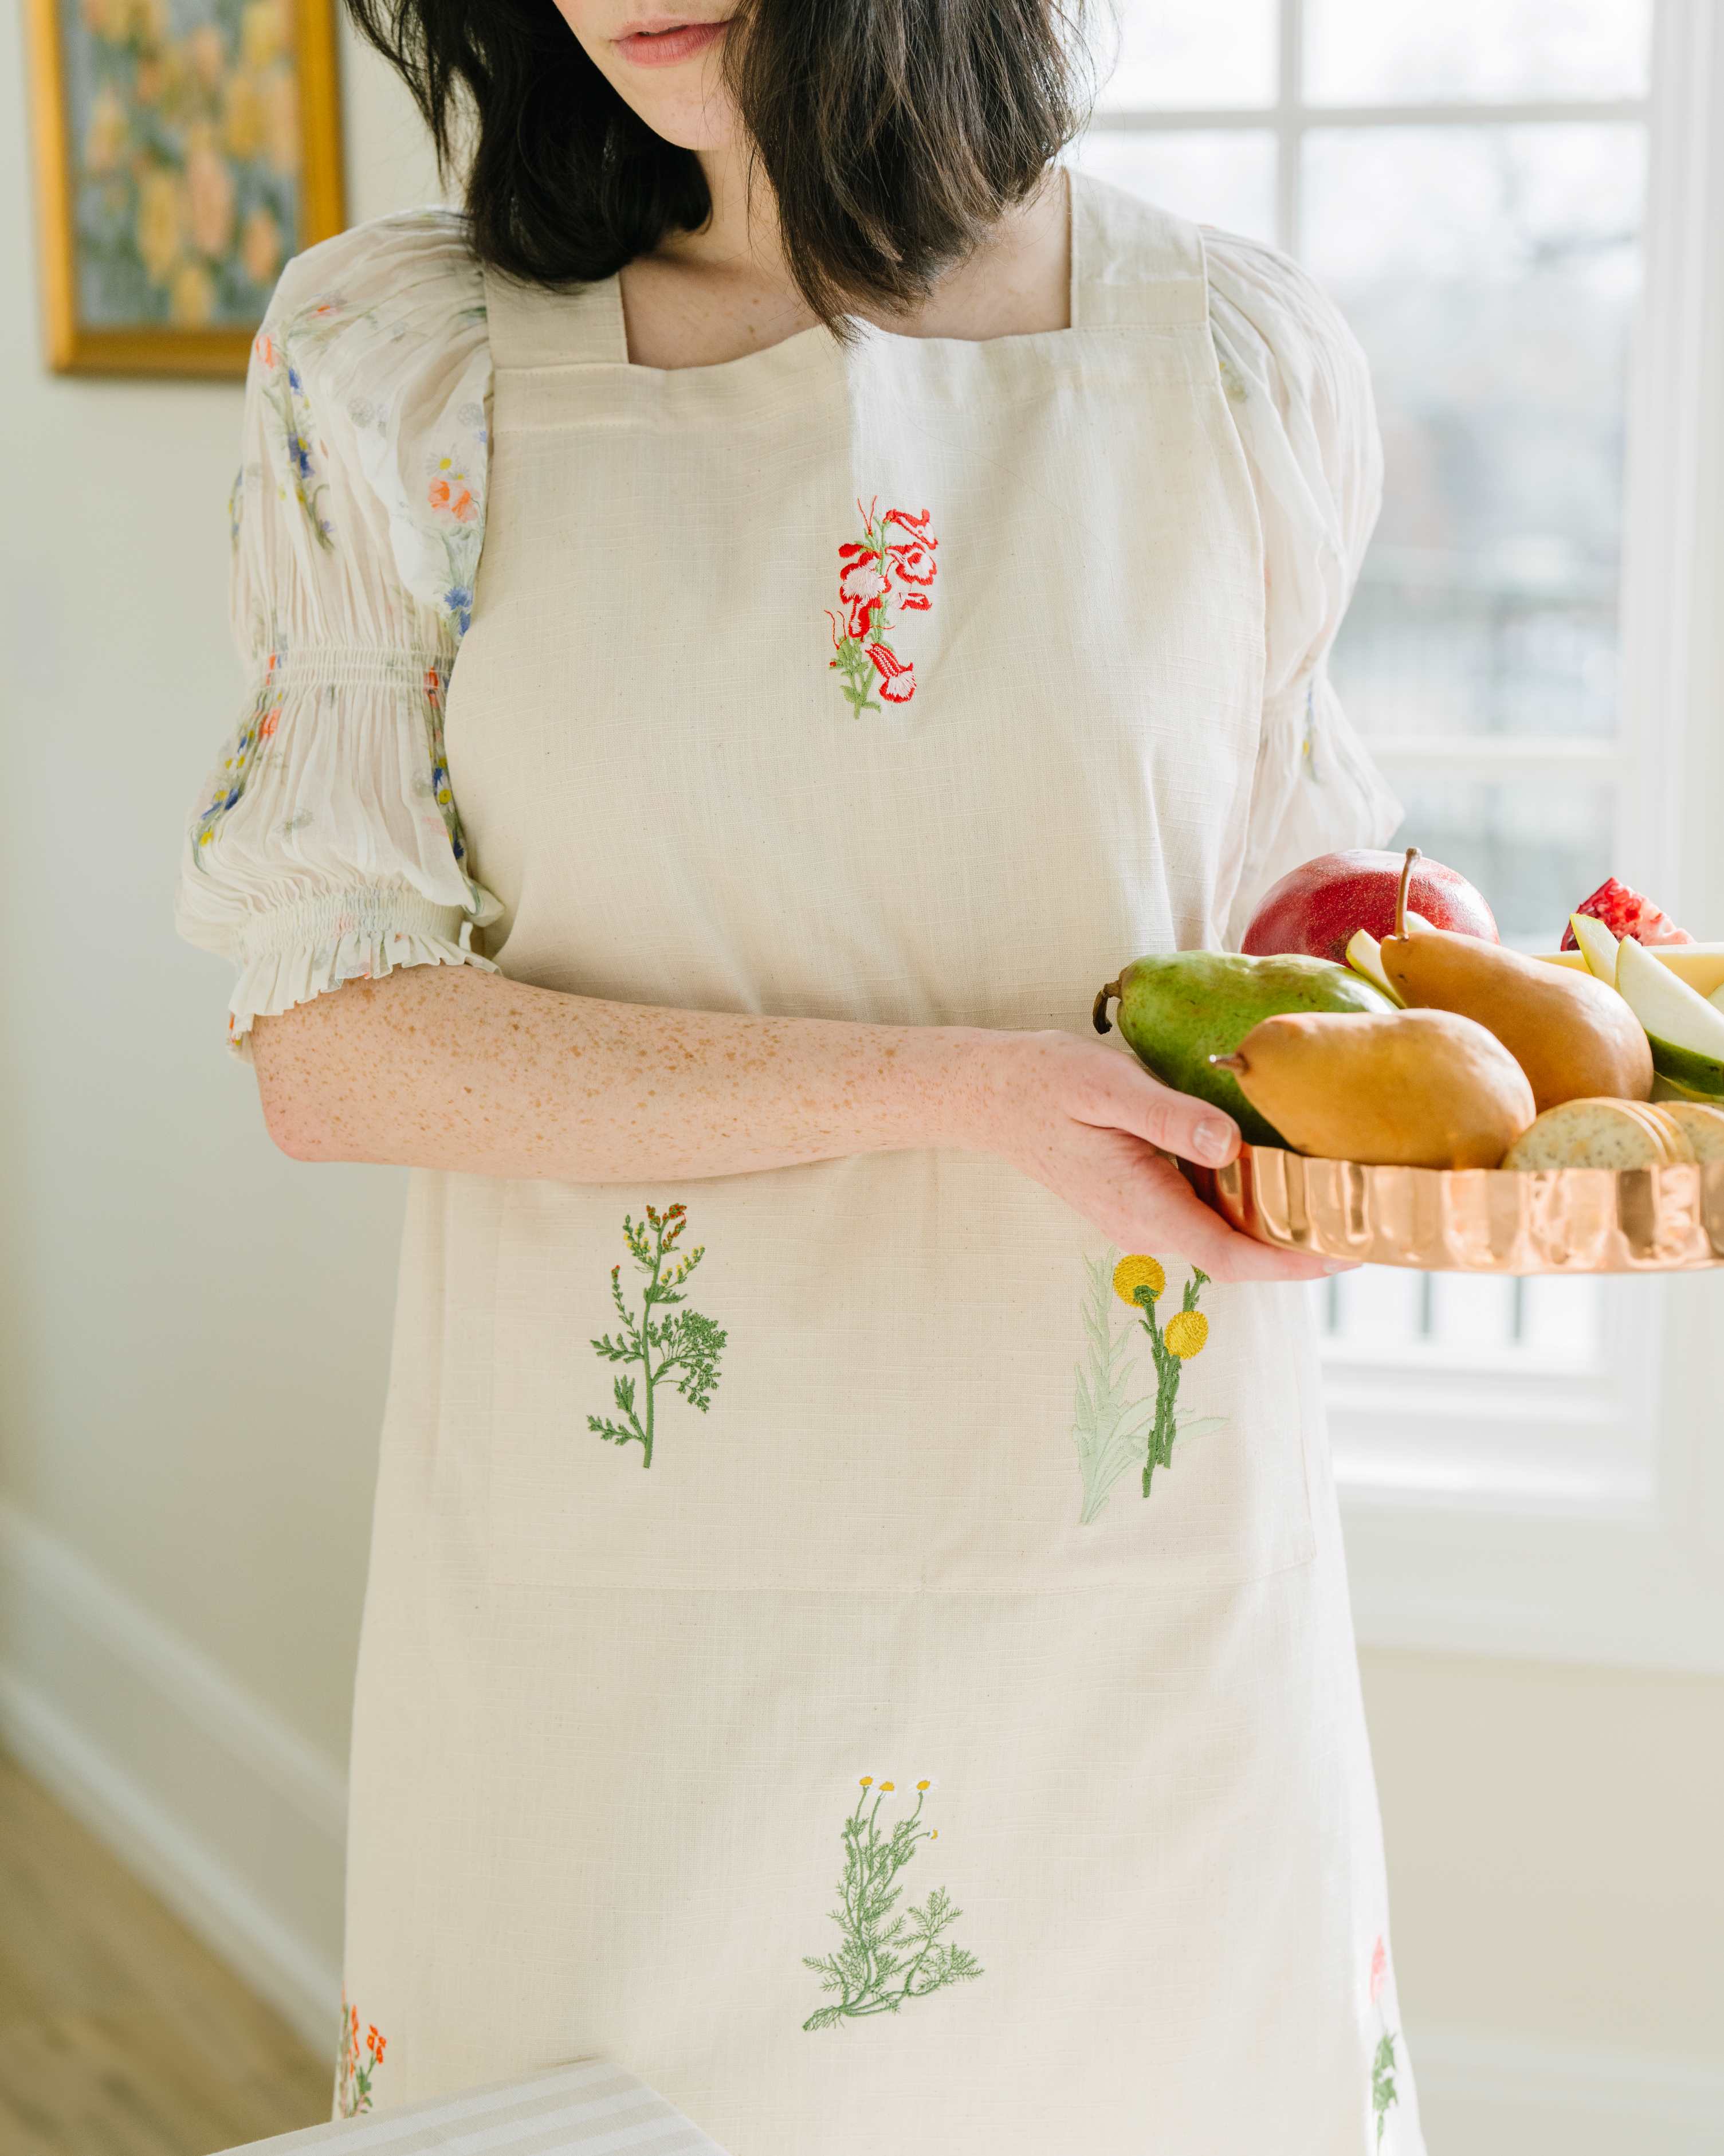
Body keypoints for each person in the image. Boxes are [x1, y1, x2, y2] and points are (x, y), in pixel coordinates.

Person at [174, 2, 1421, 2147]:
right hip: (618, 1670)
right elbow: (334, 1038)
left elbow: (1269, 903)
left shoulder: (1231, 365)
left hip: (1137, 1645)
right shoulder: (407, 366)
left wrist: (1421, 978)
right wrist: (964, 1088)